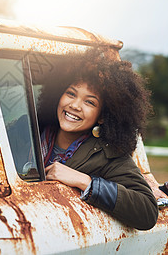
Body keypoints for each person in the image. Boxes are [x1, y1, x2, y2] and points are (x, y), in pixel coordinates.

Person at [37, 50, 158, 230]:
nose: (75, 105)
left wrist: (85, 182)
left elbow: (147, 211)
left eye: (90, 102)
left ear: (102, 116)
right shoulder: (27, 132)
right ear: (58, 95)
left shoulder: (107, 155)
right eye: (71, 93)